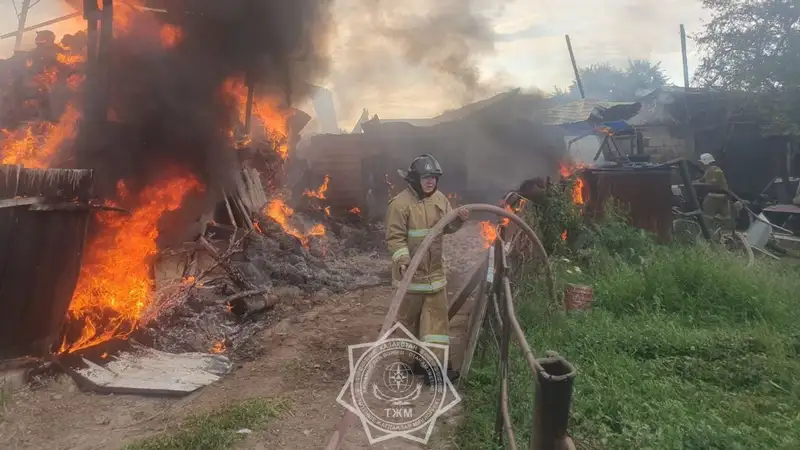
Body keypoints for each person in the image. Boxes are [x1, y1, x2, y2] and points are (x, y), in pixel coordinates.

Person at [386, 154, 468, 385]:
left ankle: (434, 370)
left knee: (436, 326)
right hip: (410, 279)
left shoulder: (440, 200)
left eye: (434, 178)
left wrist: (458, 220)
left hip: (434, 277)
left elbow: (447, 228)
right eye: (426, 178)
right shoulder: (400, 205)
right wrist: (403, 261)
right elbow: (395, 238)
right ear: (414, 180)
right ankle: (408, 363)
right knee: (407, 323)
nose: (431, 182)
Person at [697, 153, 734, 230]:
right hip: (724, 197)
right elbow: (702, 180)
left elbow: (710, 185)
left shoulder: (711, 170)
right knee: (726, 218)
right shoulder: (715, 169)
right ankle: (728, 235)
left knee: (707, 218)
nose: (700, 165)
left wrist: (695, 184)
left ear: (705, 162)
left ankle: (707, 235)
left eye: (701, 163)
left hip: (713, 197)